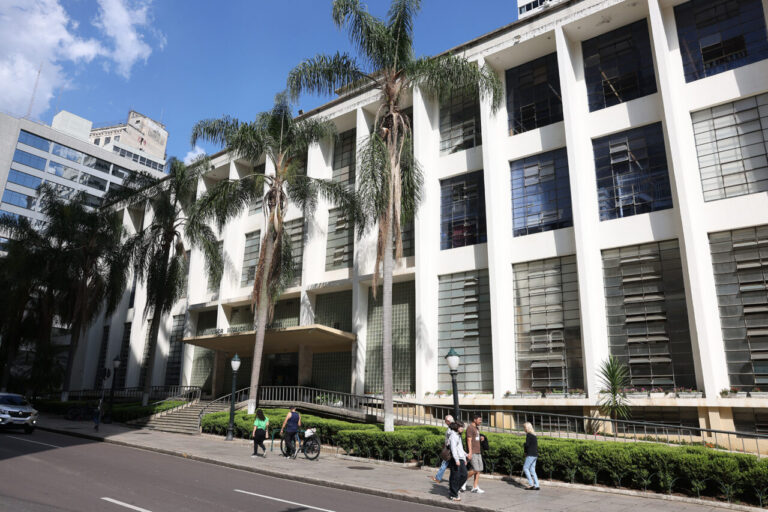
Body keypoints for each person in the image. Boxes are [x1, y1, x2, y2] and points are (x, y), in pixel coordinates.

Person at [430, 414, 454, 483]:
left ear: (448, 421)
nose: (445, 422)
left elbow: (450, 439)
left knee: (444, 463)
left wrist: (446, 445)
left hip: (449, 449)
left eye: (446, 421)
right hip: (450, 448)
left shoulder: (451, 429)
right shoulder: (452, 427)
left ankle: (438, 478)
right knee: (447, 464)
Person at [448, 422, 468, 502]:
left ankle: (454, 489)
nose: (462, 428)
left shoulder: (458, 435)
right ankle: (453, 494)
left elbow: (460, 448)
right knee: (455, 476)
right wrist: (456, 460)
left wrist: (465, 457)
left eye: (463, 427)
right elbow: (453, 448)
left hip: (461, 458)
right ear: (456, 427)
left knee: (464, 475)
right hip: (456, 459)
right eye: (461, 427)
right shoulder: (453, 436)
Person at [465, 413, 485, 493]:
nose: (480, 421)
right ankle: (463, 480)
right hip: (473, 452)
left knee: (479, 469)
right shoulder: (470, 428)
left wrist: (480, 438)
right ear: (474, 419)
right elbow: (469, 440)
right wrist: (470, 452)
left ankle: (475, 487)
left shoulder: (476, 428)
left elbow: (475, 438)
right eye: (479, 420)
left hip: (478, 451)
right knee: (475, 469)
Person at [523, 422, 540, 490]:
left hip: (530, 454)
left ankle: (531, 484)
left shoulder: (528, 435)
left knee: (525, 468)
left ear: (527, 428)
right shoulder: (534, 435)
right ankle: (537, 485)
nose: (524, 429)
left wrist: (524, 447)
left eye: (524, 427)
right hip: (535, 454)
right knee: (532, 470)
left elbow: (527, 445)